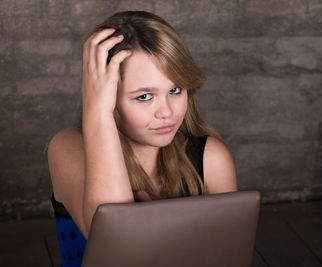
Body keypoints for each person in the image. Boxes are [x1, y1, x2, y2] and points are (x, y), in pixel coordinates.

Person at [47, 10, 237, 267]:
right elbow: (114, 250)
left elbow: (228, 259)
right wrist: (99, 113)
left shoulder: (211, 158)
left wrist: (149, 222)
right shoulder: (67, 147)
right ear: (107, 97)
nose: (167, 112)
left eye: (175, 90)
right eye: (144, 96)